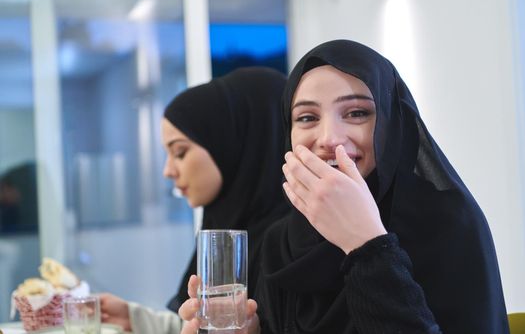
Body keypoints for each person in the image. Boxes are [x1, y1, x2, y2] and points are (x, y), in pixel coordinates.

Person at [179, 40, 509, 333]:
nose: (328, 139)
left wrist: (366, 245)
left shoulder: (448, 224)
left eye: (356, 113)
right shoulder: (282, 242)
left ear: (393, 125)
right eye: (307, 118)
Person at [100, 66, 290, 333]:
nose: (168, 170)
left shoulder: (293, 246)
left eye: (180, 152)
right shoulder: (227, 225)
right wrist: (135, 319)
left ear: (230, 145)